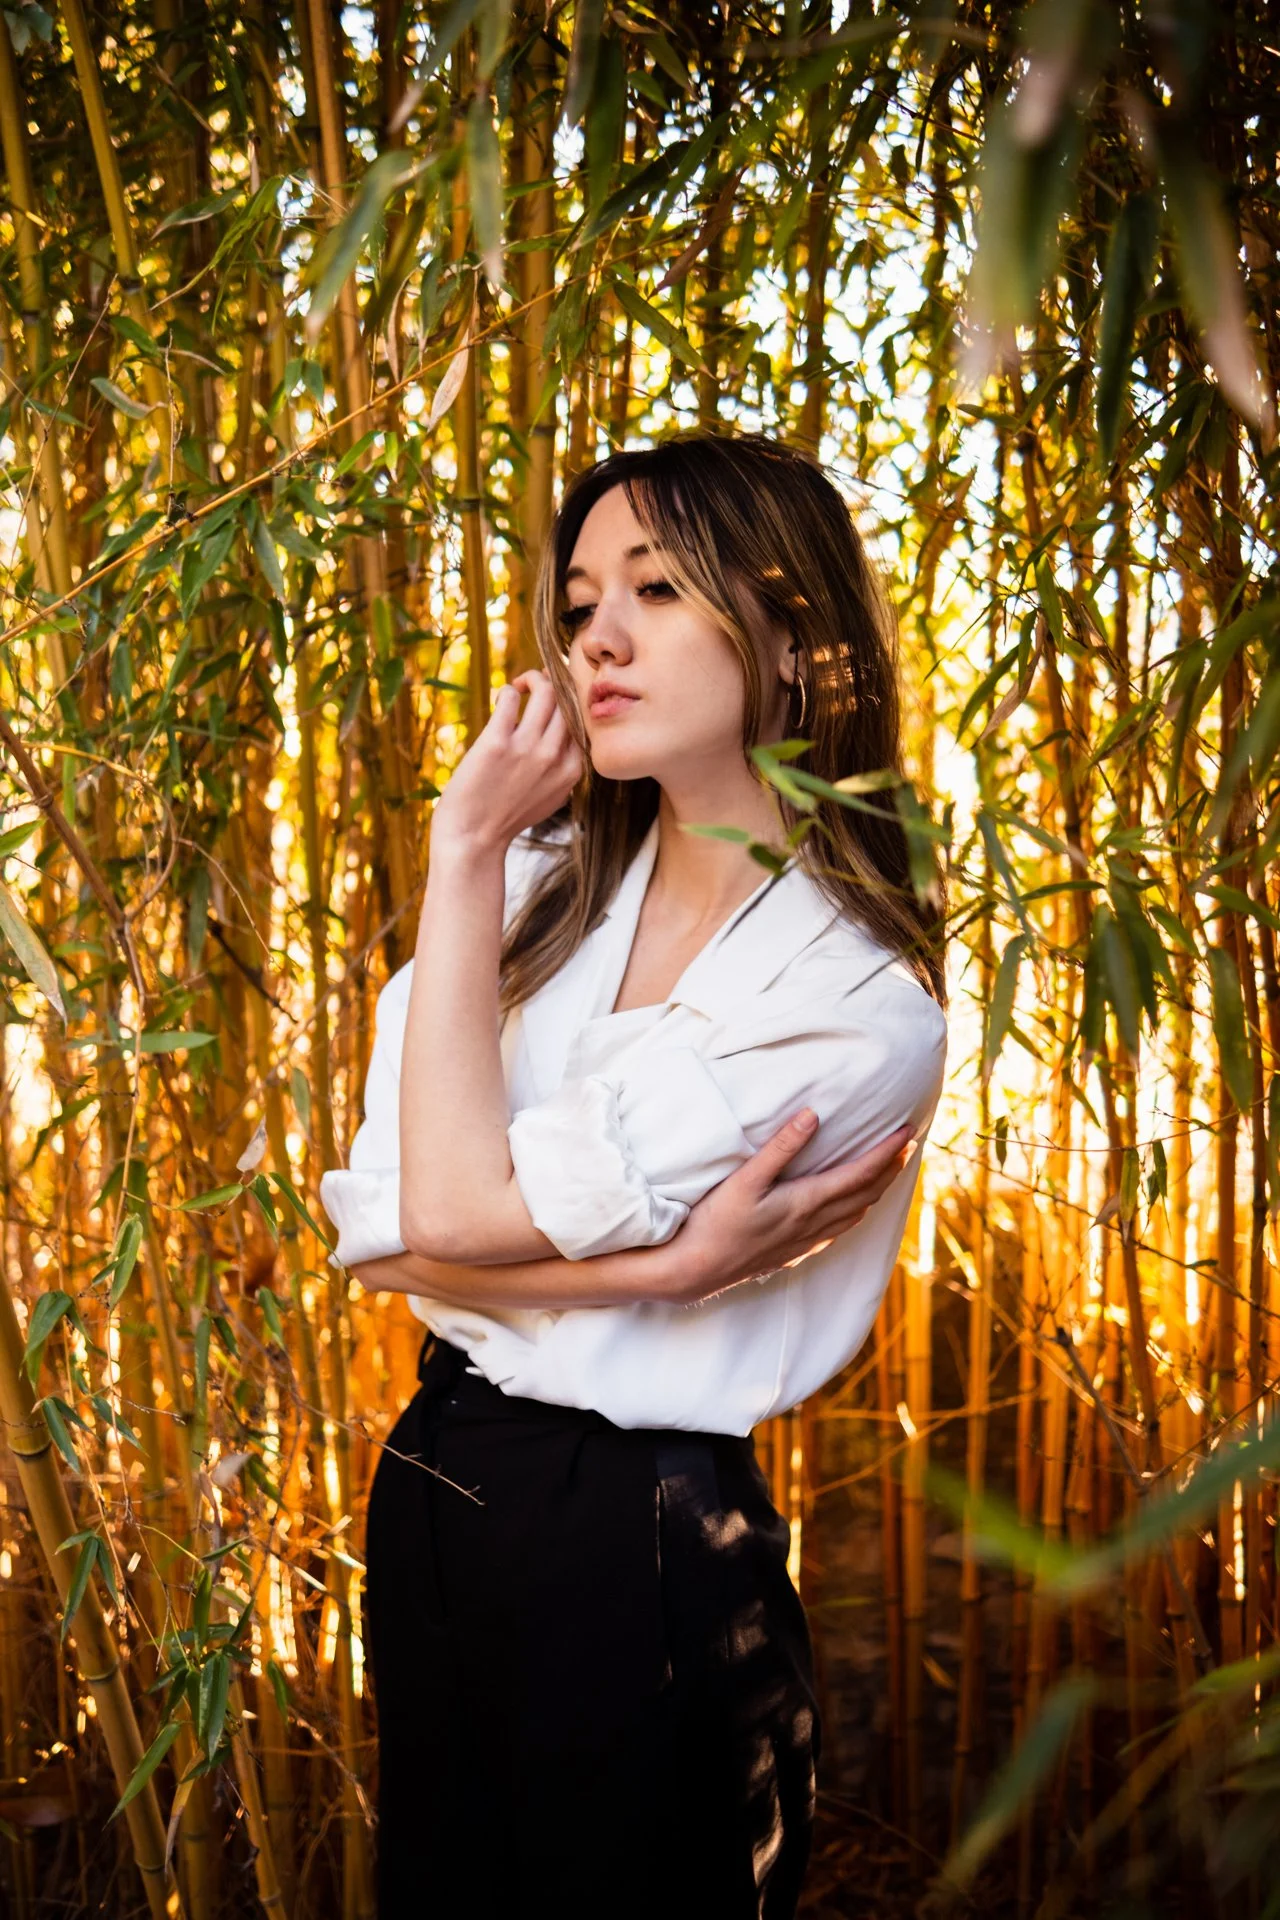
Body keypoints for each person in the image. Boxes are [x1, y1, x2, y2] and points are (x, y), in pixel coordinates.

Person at [319, 430, 949, 1918]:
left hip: (645, 1539)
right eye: (582, 594)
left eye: (657, 589)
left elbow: (445, 1220)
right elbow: (371, 1222)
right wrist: (658, 1265)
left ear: (795, 640)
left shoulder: (853, 999)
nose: (595, 635)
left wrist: (457, 851)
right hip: (434, 1478)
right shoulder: (544, 897)